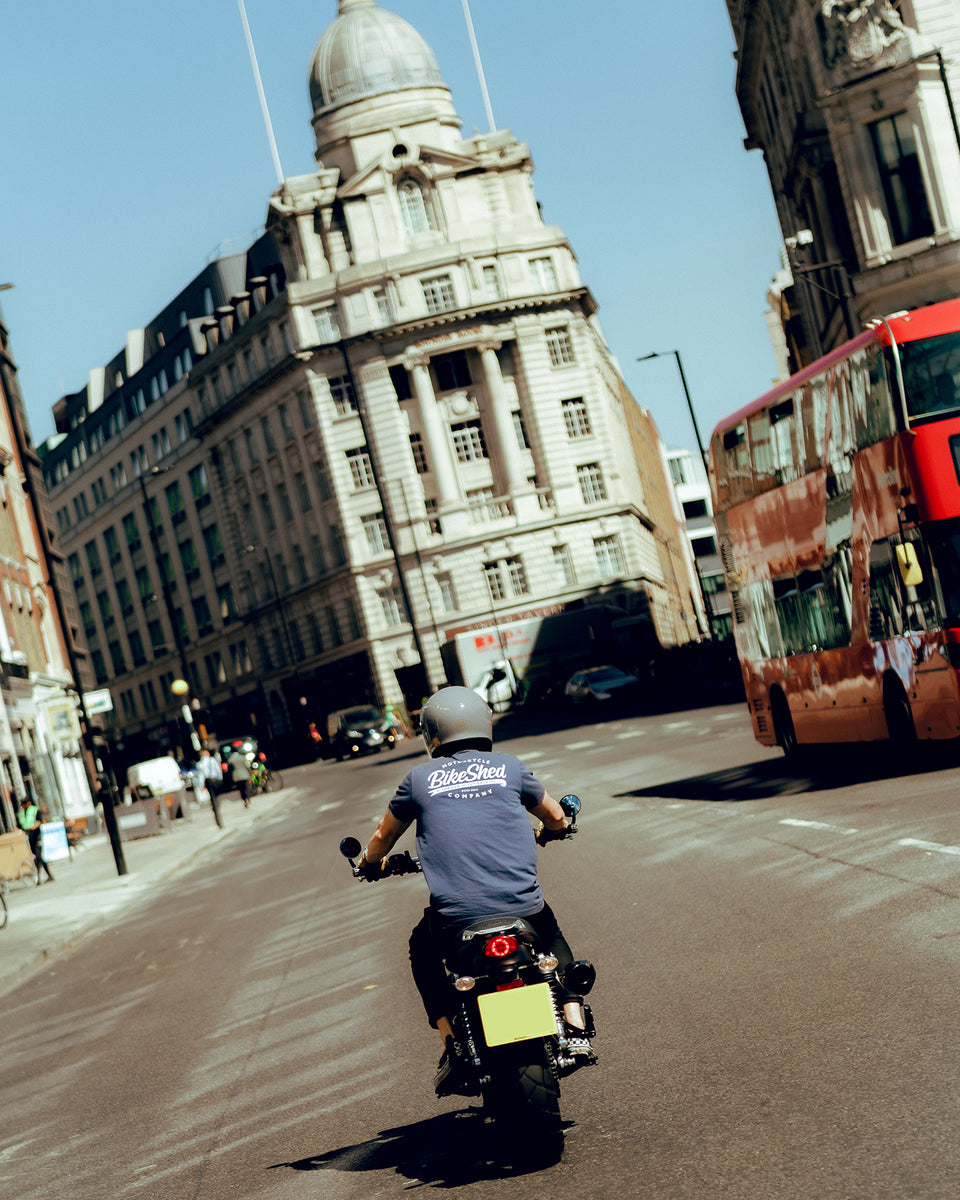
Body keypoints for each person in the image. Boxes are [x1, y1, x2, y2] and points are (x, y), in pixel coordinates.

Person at [355, 685, 592, 1095]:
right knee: (549, 936)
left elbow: (383, 836)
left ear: (432, 733)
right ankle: (573, 1021)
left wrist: (369, 863)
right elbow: (555, 815)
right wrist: (556, 830)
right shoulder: (509, 768)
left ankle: (449, 1039)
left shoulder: (418, 779)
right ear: (484, 723)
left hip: (457, 919)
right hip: (521, 907)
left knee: (421, 948)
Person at [17, 795, 54, 884]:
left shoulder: (35, 810)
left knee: (38, 856)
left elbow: (39, 821)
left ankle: (38, 876)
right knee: (38, 857)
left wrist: (33, 827)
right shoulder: (21, 813)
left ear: (29, 803)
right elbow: (19, 825)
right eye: (22, 804)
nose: (23, 806)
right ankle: (49, 875)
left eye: (24, 804)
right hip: (28, 837)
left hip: (37, 835)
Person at [197, 749, 223, 824]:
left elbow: (201, 775)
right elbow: (218, 769)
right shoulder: (212, 760)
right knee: (216, 794)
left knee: (212, 796)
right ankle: (216, 805)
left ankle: (214, 806)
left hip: (208, 781)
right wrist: (220, 778)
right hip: (214, 779)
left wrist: (201, 785)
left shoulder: (200, 764)